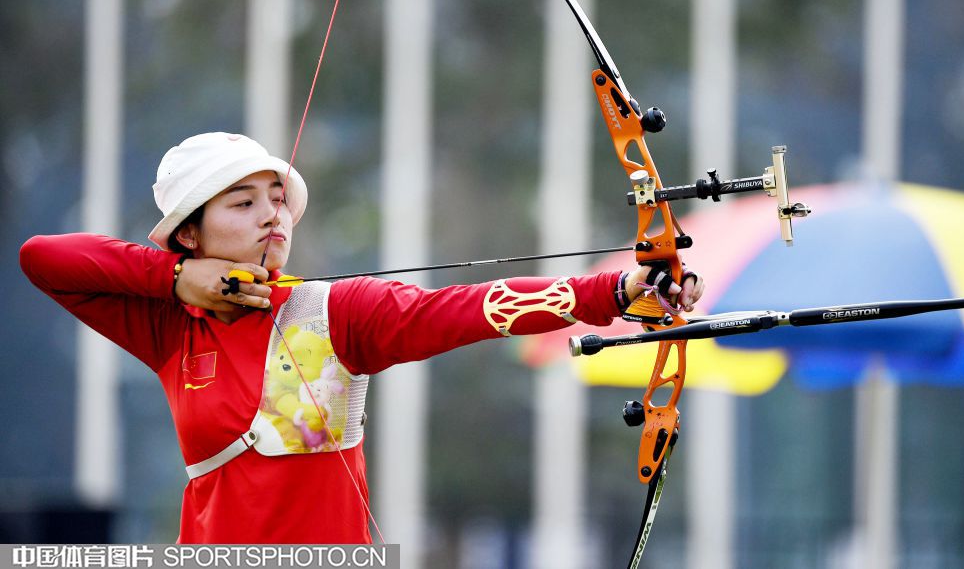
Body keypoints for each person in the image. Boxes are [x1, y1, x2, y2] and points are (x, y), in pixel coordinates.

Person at [19, 132, 704, 544]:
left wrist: (614, 291)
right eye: (243, 202)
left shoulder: (335, 313)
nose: (272, 216)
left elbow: (468, 307)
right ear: (189, 234)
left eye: (276, 199)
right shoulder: (169, 325)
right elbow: (42, 257)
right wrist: (176, 281)